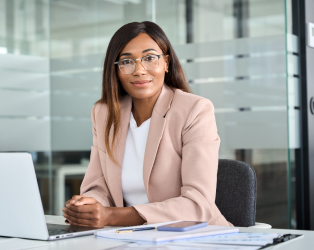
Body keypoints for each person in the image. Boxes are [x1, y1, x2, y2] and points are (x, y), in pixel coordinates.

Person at [62, 21, 232, 228]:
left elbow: (198, 205)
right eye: (126, 61)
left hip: (194, 237)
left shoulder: (194, 110)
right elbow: (98, 187)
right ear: (115, 70)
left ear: (166, 62)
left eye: (150, 58)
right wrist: (88, 205)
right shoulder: (104, 113)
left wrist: (111, 216)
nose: (139, 70)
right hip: (130, 237)